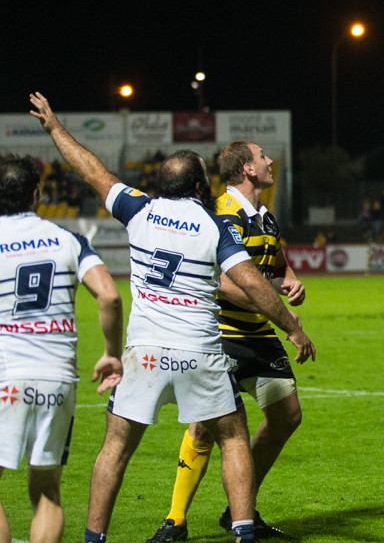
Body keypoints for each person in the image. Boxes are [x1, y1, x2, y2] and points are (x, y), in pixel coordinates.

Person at [28, 93, 315, 543]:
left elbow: (91, 170)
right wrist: (292, 326)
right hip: (200, 350)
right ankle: (242, 533)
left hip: (143, 353)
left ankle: (94, 539)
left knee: (114, 448)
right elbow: (253, 284)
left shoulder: (139, 208)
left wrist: (54, 128)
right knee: (234, 438)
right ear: (201, 187)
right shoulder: (213, 224)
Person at [146, 142, 307, 542]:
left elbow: (276, 264)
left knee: (287, 416)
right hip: (222, 334)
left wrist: (289, 281)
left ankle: (240, 507)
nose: (270, 161)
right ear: (248, 169)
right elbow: (221, 279)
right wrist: (276, 310)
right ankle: (175, 520)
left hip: (259, 333)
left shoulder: (264, 217)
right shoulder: (222, 212)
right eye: (263, 156)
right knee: (204, 427)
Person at [0, 157, 123, 543]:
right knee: (46, 491)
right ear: (36, 195)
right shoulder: (67, 239)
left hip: (6, 373)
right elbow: (109, 296)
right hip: (58, 377)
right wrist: (111, 353)